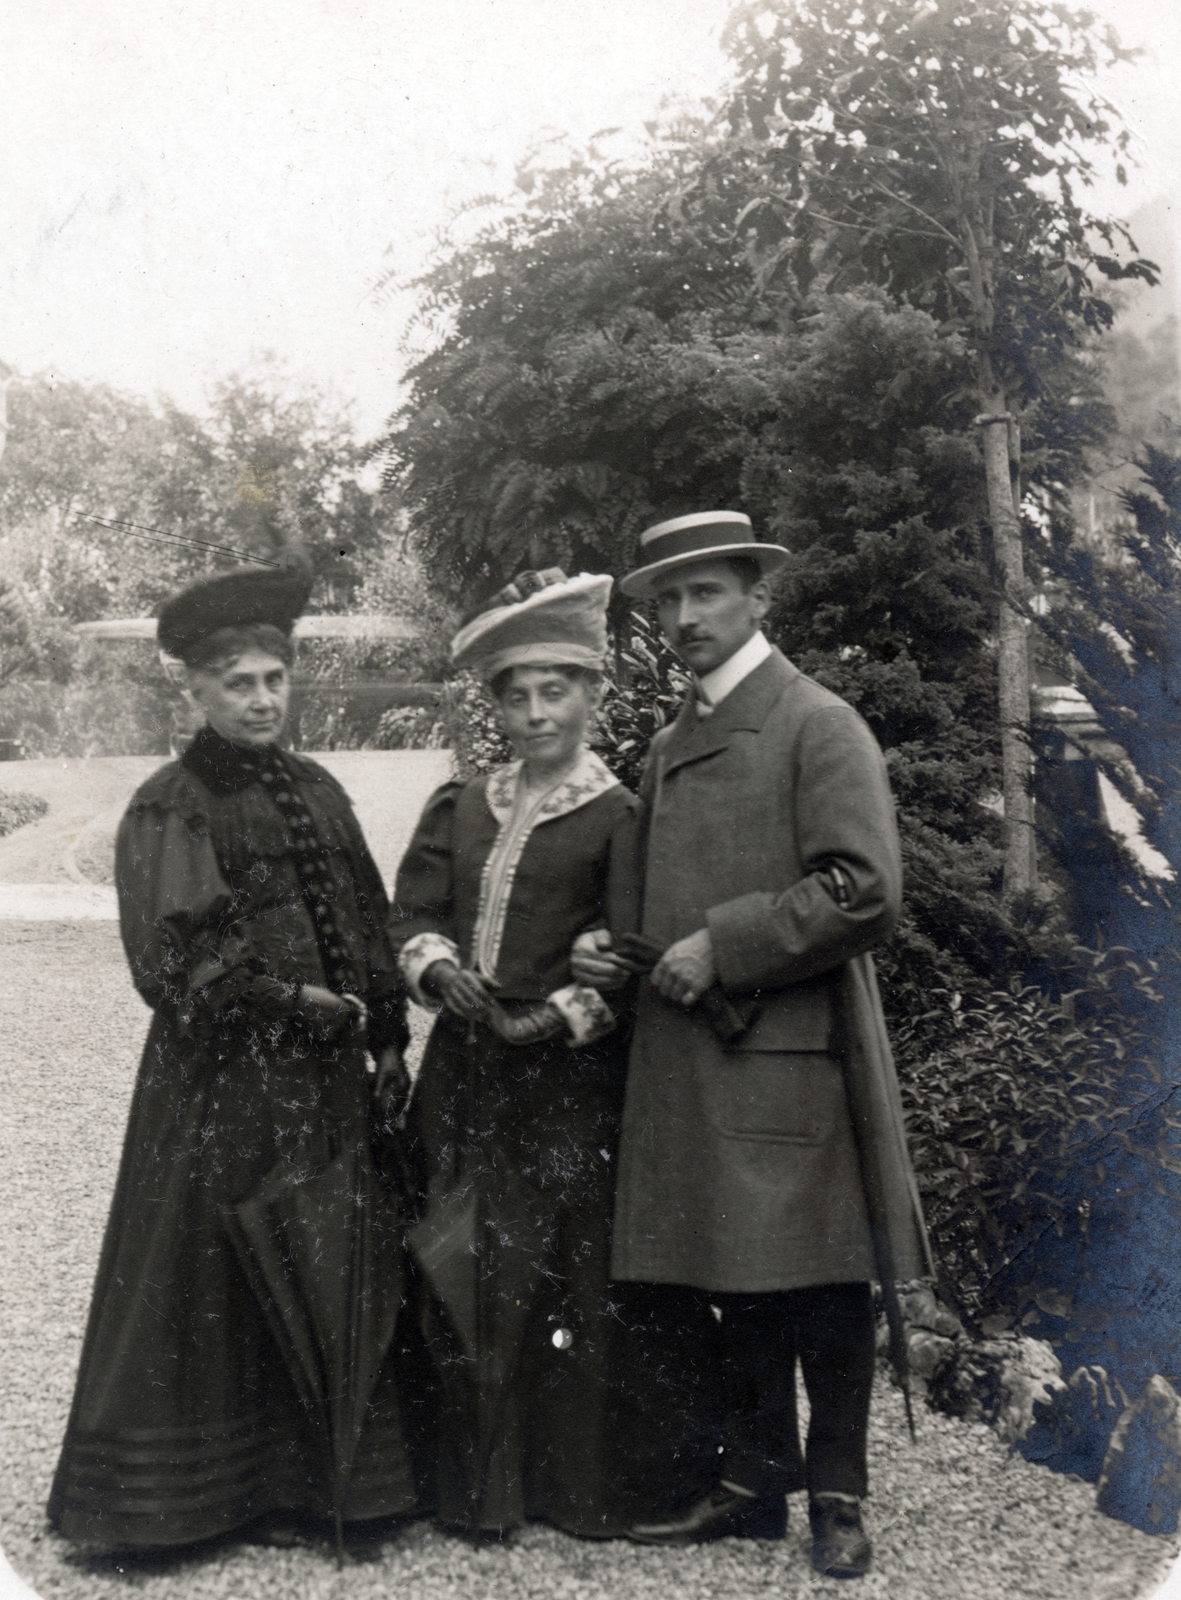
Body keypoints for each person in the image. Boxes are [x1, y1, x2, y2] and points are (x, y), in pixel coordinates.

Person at [573, 511, 931, 1579]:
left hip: (787, 1049)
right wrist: (612, 951)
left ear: (755, 597)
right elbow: (657, 902)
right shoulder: (674, 740)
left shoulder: (816, 723)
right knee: (727, 1275)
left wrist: (724, 947)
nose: (684, 617)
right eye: (668, 599)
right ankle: (750, 1480)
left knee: (817, 1279)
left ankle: (837, 1494)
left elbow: (862, 889)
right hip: (693, 1051)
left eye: (706, 593)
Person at [49, 557, 422, 1557]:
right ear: (197, 691)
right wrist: (298, 1005)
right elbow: (181, 961)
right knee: (213, 1269)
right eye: (238, 683)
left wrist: (384, 1034)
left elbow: (365, 919)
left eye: (273, 679)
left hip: (329, 1078)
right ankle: (192, 1502)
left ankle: (320, 1487)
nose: (261, 700)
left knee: (326, 1257)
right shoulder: (171, 804)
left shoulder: (319, 788)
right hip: (222, 1086)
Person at [389, 569, 714, 1539]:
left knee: (554, 1277)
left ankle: (565, 1487)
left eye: (554, 691)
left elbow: (625, 954)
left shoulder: (617, 817)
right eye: (516, 695)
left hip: (563, 1092)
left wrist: (559, 1015)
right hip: (460, 1080)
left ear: (590, 696)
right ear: (494, 703)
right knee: (451, 1258)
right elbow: (410, 911)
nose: (534, 715)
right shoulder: (463, 803)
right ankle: (462, 1490)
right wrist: (439, 972)